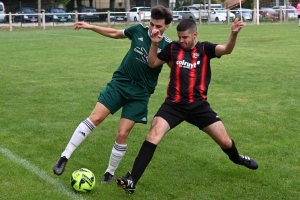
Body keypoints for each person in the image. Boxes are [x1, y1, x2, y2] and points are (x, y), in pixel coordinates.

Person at [116, 18, 258, 194]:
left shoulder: (205, 49)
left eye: (184, 37)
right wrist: (154, 44)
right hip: (173, 105)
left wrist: (233, 34)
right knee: (153, 134)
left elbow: (226, 49)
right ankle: (132, 180)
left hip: (199, 106)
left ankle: (238, 159)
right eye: (179, 37)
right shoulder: (173, 48)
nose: (181, 40)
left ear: (195, 34)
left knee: (225, 141)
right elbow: (152, 63)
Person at [53, 5, 173, 184]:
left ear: (167, 26)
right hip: (120, 83)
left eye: (159, 26)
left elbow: (169, 69)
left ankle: (109, 173)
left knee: (122, 133)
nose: (154, 29)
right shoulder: (138, 30)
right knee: (96, 118)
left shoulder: (168, 46)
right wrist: (91, 26)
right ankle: (64, 156)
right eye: (152, 24)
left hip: (140, 93)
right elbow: (115, 33)